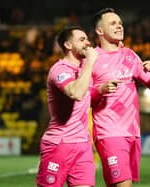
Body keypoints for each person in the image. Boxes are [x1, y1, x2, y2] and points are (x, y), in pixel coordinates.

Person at [91, 8, 150, 187]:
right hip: (109, 132)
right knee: (124, 184)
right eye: (113, 23)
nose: (119, 26)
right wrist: (100, 89)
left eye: (120, 23)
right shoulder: (91, 58)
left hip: (132, 133)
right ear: (99, 31)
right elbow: (81, 98)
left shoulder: (129, 55)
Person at [35, 26, 98, 187]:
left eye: (87, 39)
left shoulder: (83, 68)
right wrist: (90, 62)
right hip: (59, 143)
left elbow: (86, 92)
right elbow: (76, 93)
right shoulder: (59, 70)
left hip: (82, 144)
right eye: (82, 40)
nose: (88, 43)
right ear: (68, 45)